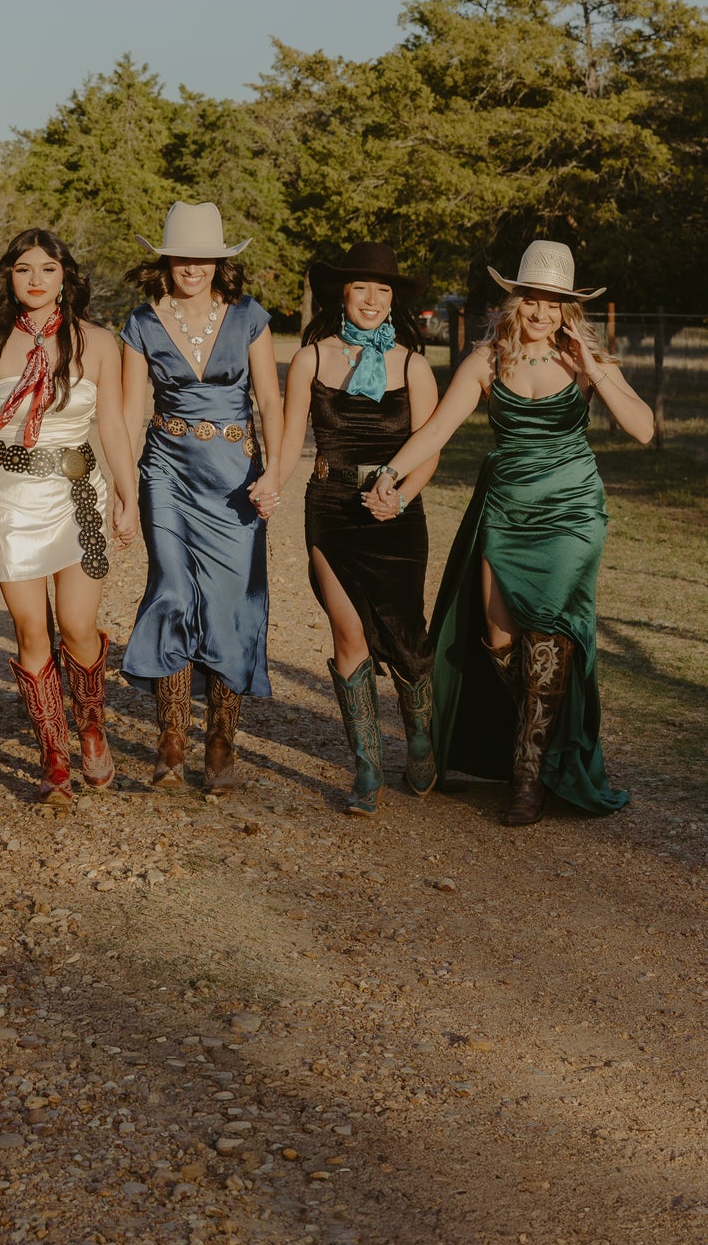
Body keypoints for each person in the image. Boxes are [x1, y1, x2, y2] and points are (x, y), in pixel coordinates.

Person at [369, 240, 651, 826]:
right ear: (515, 299)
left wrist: (597, 368)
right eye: (533, 299)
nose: (542, 312)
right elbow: (439, 429)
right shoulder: (486, 358)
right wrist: (392, 474)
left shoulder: (583, 359)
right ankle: (540, 737)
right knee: (499, 637)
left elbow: (643, 429)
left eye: (555, 302)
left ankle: (527, 776)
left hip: (572, 511)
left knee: (547, 632)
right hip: (508, 508)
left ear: (568, 307)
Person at [0, 229, 139, 805]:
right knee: (32, 631)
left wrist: (126, 492)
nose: (35, 279)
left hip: (78, 492)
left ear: (66, 277)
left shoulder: (100, 344)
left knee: (79, 626)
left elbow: (111, 423)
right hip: (10, 500)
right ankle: (53, 752)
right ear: (7, 277)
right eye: (22, 269)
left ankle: (90, 725)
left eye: (47, 269)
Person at [270, 243, 440, 815]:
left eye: (383, 290)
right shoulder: (311, 359)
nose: (372, 300)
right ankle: (367, 764)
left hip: (398, 512)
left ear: (395, 300)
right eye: (361, 288)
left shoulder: (415, 365)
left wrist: (402, 496)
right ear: (342, 293)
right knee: (349, 633)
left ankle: (418, 736)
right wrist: (271, 482)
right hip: (332, 506)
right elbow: (292, 440)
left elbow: (431, 451)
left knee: (408, 638)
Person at [119, 203, 282, 792]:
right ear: (166, 259)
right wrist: (122, 485)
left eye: (204, 258)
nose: (193, 267)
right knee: (170, 590)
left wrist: (276, 475)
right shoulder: (140, 323)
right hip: (166, 470)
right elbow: (132, 412)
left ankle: (221, 741)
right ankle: (169, 741)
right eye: (183, 256)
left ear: (220, 263)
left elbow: (271, 403)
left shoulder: (249, 317)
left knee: (229, 601)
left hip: (236, 477)